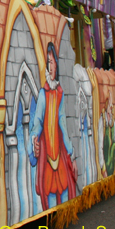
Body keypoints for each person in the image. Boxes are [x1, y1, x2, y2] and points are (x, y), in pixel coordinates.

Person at [29, 42, 77, 209]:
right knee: (48, 193)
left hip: (60, 154)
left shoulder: (60, 93)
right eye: (47, 62)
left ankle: (62, 216)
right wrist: (34, 141)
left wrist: (70, 152)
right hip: (47, 155)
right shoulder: (43, 94)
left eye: (52, 61)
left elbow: (63, 123)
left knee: (63, 190)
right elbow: (37, 123)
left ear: (56, 63)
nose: (50, 66)